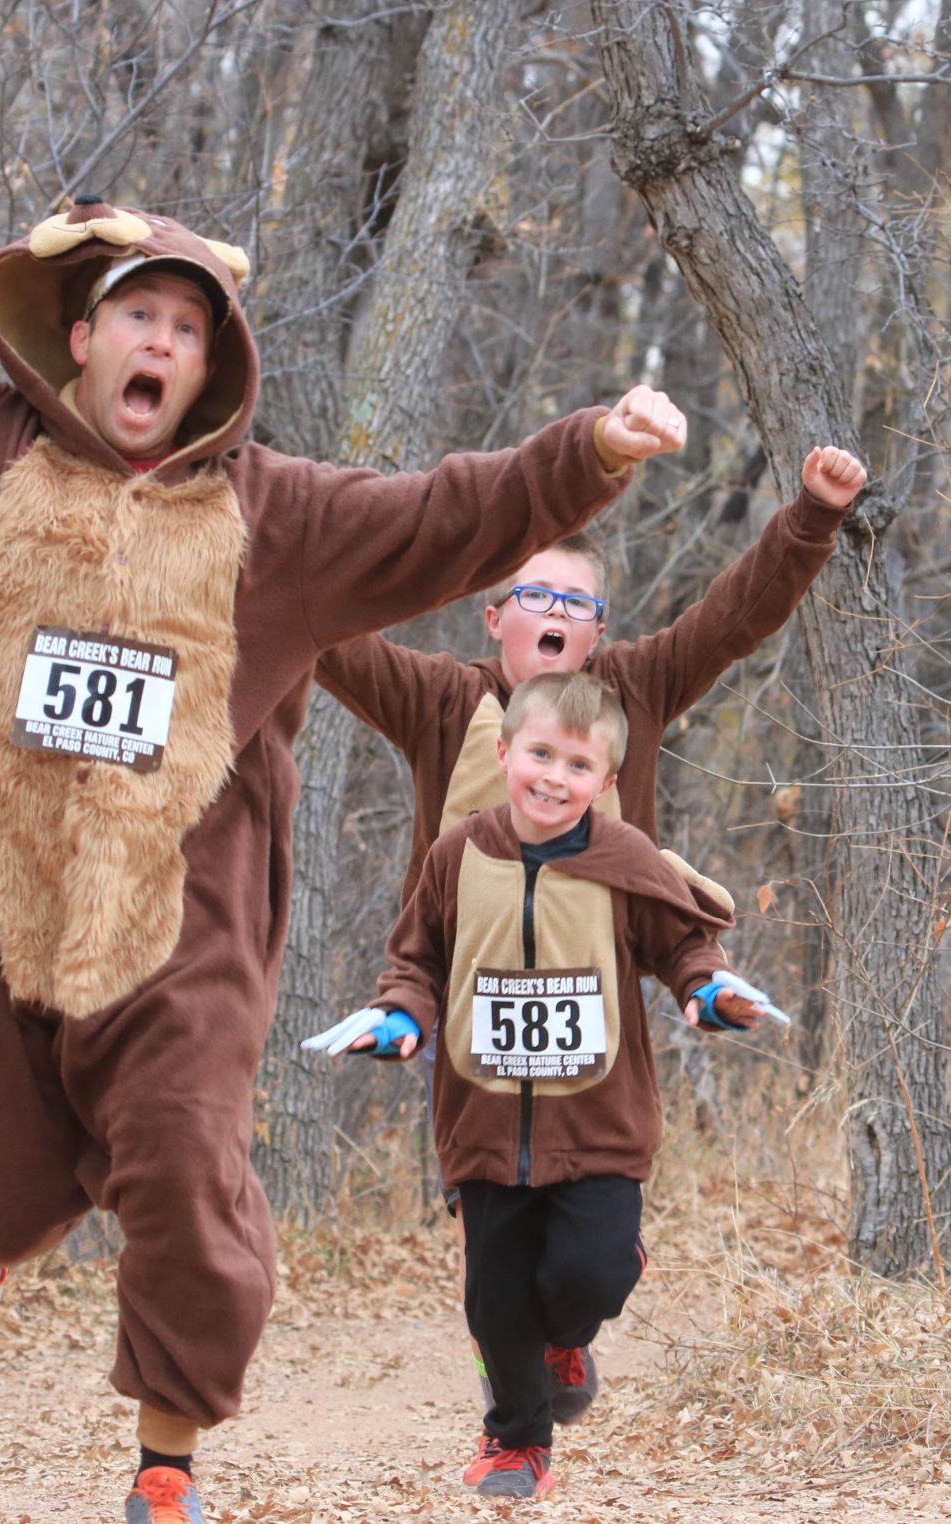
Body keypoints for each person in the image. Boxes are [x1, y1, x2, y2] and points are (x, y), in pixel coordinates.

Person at [0, 2, 693, 1517]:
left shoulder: (272, 519)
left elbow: (444, 513)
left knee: (183, 1171)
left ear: (208, 367)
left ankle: (163, 1464)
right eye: (141, 319)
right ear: (85, 336)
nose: (163, 346)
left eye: (189, 331)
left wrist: (592, 450)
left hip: (173, 936)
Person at [312, 443, 867, 1449]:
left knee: (588, 1257)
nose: (560, 614)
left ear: (599, 632)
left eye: (581, 604)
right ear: (496, 618)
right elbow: (325, 639)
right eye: (536, 593)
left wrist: (810, 519)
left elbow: (735, 617)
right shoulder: (442, 700)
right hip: (474, 1018)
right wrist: (257, 551)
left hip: (596, 1012)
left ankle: (564, 1325)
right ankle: (520, 1367)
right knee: (497, 1251)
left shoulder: (634, 688)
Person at [305, 671, 772, 1500]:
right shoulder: (458, 855)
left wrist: (710, 993)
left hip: (598, 1124)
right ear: (503, 752)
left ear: (607, 783)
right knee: (494, 1299)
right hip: (483, 1127)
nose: (554, 777)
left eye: (578, 765)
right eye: (540, 754)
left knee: (583, 1276)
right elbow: (414, 963)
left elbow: (684, 948)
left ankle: (571, 1332)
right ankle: (517, 1442)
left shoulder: (622, 858)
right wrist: (400, 1019)